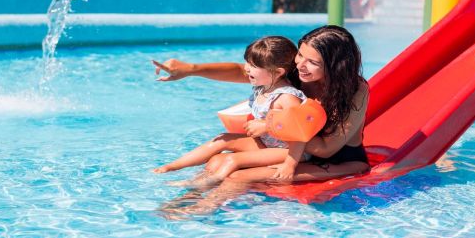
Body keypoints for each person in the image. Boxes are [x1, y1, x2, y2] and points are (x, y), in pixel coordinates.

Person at [153, 25, 370, 214]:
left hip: (336, 161)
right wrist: (191, 69)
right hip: (291, 149)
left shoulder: (354, 90)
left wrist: (270, 125)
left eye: (312, 61)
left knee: (238, 177)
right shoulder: (300, 72)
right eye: (300, 55)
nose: (300, 64)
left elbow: (326, 149)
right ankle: (181, 202)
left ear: (336, 65)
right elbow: (243, 71)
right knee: (217, 160)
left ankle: (199, 212)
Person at [153, 36, 312, 186]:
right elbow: (238, 71)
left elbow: (300, 135)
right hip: (268, 143)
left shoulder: (287, 98)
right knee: (222, 139)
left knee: (232, 160)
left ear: (278, 72)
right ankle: (172, 166)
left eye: (253, 66)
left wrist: (290, 165)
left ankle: (205, 183)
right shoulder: (264, 84)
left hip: (288, 151)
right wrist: (190, 69)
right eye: (247, 62)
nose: (246, 68)